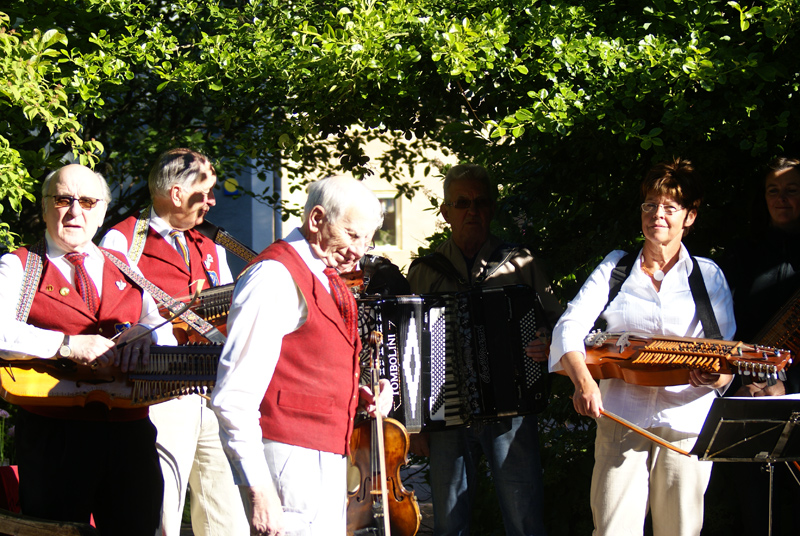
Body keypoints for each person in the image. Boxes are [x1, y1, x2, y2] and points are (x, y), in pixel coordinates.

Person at [549, 158, 735, 536]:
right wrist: (583, 383)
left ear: (690, 217)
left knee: (680, 531)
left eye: (670, 207)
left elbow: (726, 359)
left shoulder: (708, 275)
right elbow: (568, 327)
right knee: (613, 530)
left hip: (686, 426)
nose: (657, 215)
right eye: (650, 205)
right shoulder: (616, 269)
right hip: (621, 419)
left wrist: (714, 377)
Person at [210, 175, 392, 536]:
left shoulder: (324, 273)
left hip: (320, 458)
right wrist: (259, 490)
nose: (360, 250)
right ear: (316, 219)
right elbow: (232, 398)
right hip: (287, 461)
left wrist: (357, 395)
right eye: (353, 235)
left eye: (368, 239)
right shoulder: (274, 277)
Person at [0, 163, 177, 535]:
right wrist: (67, 345)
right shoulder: (17, 266)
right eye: (64, 199)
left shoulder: (123, 264)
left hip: (132, 432)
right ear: (45, 206)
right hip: (54, 437)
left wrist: (145, 334)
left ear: (102, 211)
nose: (75, 211)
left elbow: (162, 331)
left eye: (88, 201)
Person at [406, 163, 562, 536]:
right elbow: (410, 351)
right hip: (445, 410)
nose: (471, 211)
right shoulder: (426, 272)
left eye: (480, 202)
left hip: (512, 407)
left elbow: (560, 324)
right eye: (461, 203)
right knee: (448, 522)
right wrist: (414, 424)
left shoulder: (520, 263)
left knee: (524, 519)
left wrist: (546, 339)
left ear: (492, 209)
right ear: (445, 212)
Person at [100, 148, 247, 536]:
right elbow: (114, 309)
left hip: (212, 392)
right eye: (206, 191)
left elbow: (229, 313)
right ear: (177, 194)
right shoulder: (124, 238)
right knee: (162, 514)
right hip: (160, 393)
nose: (213, 201)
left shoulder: (212, 243)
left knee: (227, 517)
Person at [710, 156, 800, 535]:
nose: (781, 199)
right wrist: (738, 386)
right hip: (749, 399)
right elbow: (723, 333)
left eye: (792, 190)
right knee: (756, 513)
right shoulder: (741, 257)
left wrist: (789, 386)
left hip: (795, 398)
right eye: (773, 191)